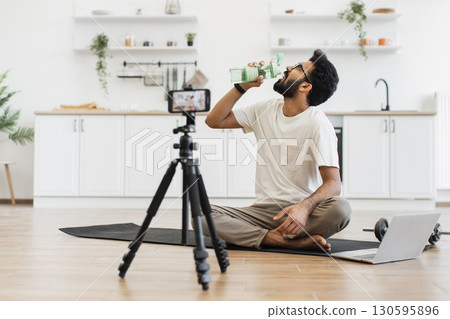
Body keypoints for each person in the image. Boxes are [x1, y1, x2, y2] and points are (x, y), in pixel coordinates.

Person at [203, 49, 351, 252]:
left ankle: (257, 236)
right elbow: (214, 121)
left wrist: (304, 208)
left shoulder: (317, 123)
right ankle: (282, 241)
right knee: (201, 214)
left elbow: (334, 184)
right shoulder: (266, 109)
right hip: (264, 212)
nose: (288, 67)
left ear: (306, 86)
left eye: (298, 68)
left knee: (341, 209)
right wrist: (241, 87)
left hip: (303, 213)